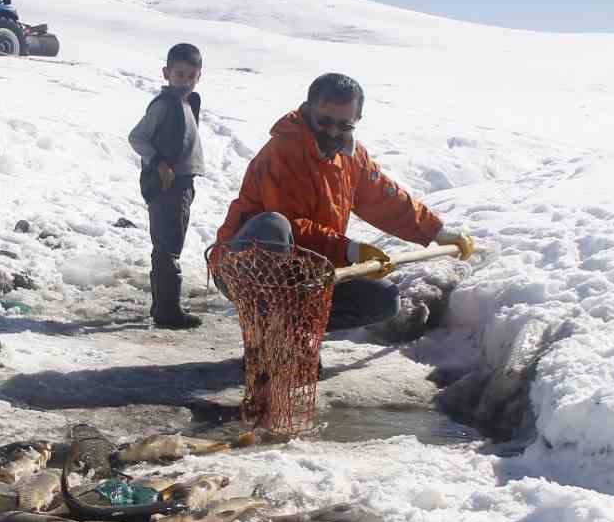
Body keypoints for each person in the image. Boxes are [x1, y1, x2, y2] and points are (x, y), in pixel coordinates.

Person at [212, 72, 475, 333]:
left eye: (344, 125)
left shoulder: (352, 156)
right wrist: (349, 250)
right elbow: (291, 228)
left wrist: (436, 231)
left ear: (357, 120)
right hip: (245, 264)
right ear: (308, 109)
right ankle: (269, 333)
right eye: (325, 121)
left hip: (307, 268)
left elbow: (385, 198)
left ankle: (292, 330)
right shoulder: (283, 152)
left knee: (383, 300)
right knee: (273, 225)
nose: (333, 131)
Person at [128, 43, 206, 329]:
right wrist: (160, 164)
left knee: (169, 243)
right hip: (167, 184)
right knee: (168, 246)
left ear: (199, 76)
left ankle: (162, 305)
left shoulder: (187, 102)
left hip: (183, 182)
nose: (185, 81)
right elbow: (137, 137)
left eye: (191, 76)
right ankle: (168, 311)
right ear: (166, 73)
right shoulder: (165, 104)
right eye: (179, 75)